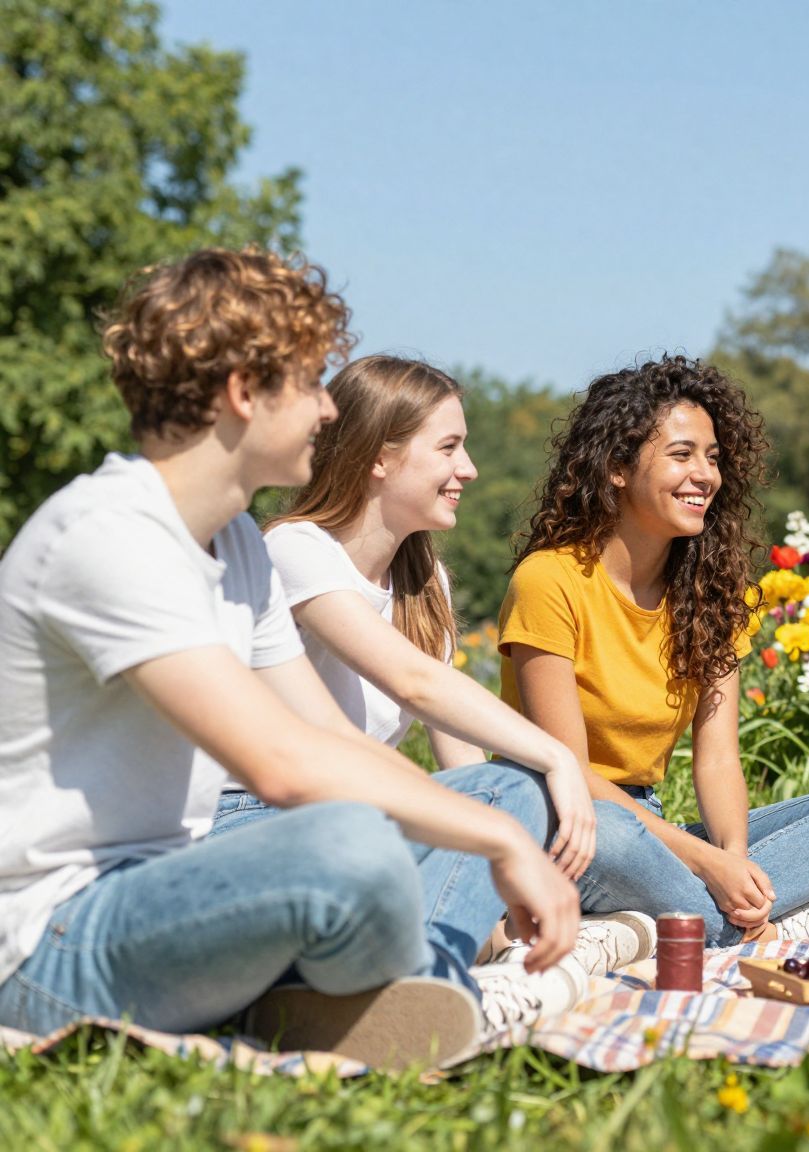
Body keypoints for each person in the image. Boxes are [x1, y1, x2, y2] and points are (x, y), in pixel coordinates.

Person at [0, 249, 580, 1071]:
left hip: (181, 893)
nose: (326, 411)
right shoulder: (108, 534)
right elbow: (281, 766)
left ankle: (363, 992)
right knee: (350, 847)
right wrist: (497, 845)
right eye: (310, 384)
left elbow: (332, 741)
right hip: (52, 944)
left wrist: (493, 818)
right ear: (244, 391)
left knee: (496, 788)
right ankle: (412, 984)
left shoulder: (236, 543)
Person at [209, 354, 650, 984]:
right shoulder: (295, 550)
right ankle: (427, 966)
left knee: (511, 795)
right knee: (513, 791)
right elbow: (414, 683)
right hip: (254, 819)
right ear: (378, 458)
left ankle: (425, 955)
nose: (467, 469)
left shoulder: (425, 583)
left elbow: (464, 767)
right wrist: (558, 760)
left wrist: (497, 867)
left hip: (353, 817)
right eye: (448, 447)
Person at [499, 355, 809, 948]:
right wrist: (707, 863)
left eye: (712, 457)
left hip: (654, 832)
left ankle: (713, 915)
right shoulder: (550, 581)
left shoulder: (712, 596)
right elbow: (566, 771)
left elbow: (718, 759)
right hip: (565, 822)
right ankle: (752, 914)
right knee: (624, 841)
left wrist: (733, 859)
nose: (705, 474)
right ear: (618, 467)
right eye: (681, 455)